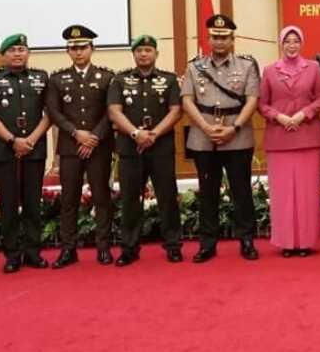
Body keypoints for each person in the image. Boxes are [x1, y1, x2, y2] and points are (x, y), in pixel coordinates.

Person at [181, 14, 261, 263]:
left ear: (232, 39)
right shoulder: (195, 66)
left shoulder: (246, 66)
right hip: (204, 137)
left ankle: (246, 240)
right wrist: (205, 126)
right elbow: (186, 100)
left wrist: (234, 128)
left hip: (237, 136)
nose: (219, 41)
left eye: (224, 37)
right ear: (208, 38)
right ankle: (207, 244)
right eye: (215, 37)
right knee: (208, 193)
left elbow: (252, 100)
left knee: (241, 192)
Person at [106, 35, 183, 266]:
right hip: (131, 148)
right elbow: (114, 111)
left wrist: (154, 134)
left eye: (148, 50)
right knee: (130, 199)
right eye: (139, 50)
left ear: (156, 54)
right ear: (133, 54)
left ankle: (173, 246)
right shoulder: (120, 80)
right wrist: (135, 133)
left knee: (167, 198)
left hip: (161, 147)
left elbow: (176, 111)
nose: (143, 54)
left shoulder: (168, 80)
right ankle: (129, 248)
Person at [0, 34, 51, 273]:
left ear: (28, 52)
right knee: (8, 204)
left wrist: (30, 139)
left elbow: (50, 113)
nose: (17, 54)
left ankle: (33, 252)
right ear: (3, 54)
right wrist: (12, 140)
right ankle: (11, 255)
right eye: (12, 50)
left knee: (32, 203)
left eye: (22, 49)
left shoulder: (41, 78)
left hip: (34, 148)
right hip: (4, 150)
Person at [45, 25, 115, 268]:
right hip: (70, 148)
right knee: (69, 199)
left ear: (92, 48)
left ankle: (104, 248)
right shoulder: (57, 79)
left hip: (99, 147)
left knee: (101, 197)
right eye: (73, 48)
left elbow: (111, 112)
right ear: (67, 51)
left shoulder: (107, 77)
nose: (78, 52)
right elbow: (53, 111)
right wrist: (77, 134)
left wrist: (93, 137)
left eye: (82, 47)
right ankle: (68, 250)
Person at [258, 26, 320, 257]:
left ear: (302, 43)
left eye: (296, 40)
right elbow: (262, 104)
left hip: (307, 137)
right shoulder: (269, 71)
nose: (292, 45)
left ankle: (306, 242)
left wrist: (302, 114)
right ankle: (287, 243)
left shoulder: (314, 68)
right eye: (287, 41)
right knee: (283, 196)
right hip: (279, 140)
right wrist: (279, 116)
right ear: (281, 44)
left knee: (308, 194)